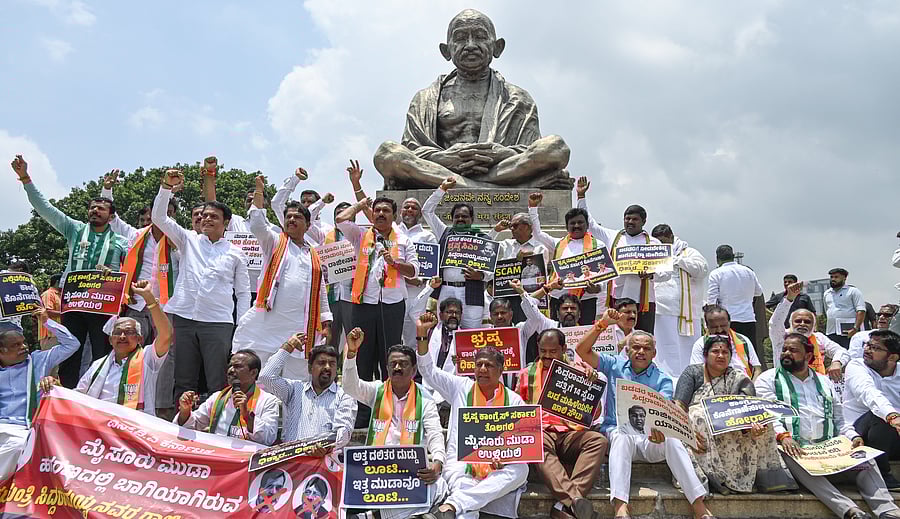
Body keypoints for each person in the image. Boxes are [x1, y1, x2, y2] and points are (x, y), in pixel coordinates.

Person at [373, 8, 572, 190]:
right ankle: (496, 188)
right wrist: (444, 158)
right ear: (446, 50)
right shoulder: (425, 99)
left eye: (479, 36)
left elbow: (529, 151)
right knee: (387, 154)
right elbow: (412, 151)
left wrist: (499, 154)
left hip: (498, 168)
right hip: (441, 168)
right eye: (460, 38)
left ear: (497, 47)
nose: (470, 45)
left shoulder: (518, 98)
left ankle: (468, 186)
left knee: (556, 147)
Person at [12, 154, 129, 388]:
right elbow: (46, 209)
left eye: (101, 208)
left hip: (102, 304)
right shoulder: (75, 230)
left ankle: (99, 395)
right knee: (70, 350)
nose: (95, 210)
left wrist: (113, 275)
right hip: (74, 303)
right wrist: (25, 178)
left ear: (110, 215)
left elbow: (129, 271)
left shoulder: (121, 241)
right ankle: (66, 393)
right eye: (92, 207)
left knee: (102, 352)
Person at [575, 321, 713, 519]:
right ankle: (621, 507)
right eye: (636, 347)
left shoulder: (663, 380)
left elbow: (662, 414)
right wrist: (602, 324)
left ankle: (699, 506)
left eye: (646, 348)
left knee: (673, 441)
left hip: (649, 439)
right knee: (622, 435)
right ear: (628, 350)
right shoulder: (614, 364)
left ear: (654, 354)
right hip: (618, 435)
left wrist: (660, 432)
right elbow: (581, 350)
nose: (641, 351)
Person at [755, 333, 900, 519]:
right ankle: (851, 511)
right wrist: (785, 436)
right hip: (794, 448)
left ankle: (888, 512)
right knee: (791, 455)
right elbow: (768, 414)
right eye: (784, 349)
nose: (786, 353)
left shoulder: (824, 382)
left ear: (808, 356)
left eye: (793, 350)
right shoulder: (768, 380)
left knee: (865, 458)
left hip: (827, 449)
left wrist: (853, 436)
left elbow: (840, 419)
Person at [414, 312, 528, 519]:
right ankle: (456, 506)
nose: (482, 369)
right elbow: (427, 370)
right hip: (460, 463)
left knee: (521, 470)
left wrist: (504, 458)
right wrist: (422, 334)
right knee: (466, 498)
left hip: (496, 465)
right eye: (479, 364)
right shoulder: (460, 387)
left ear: (501, 369)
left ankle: (452, 505)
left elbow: (517, 445)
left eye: (489, 365)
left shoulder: (514, 401)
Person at [151, 169, 251, 405]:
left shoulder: (236, 253)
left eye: (213, 217)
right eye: (203, 216)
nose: (206, 219)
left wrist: (242, 326)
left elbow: (244, 293)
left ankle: (217, 428)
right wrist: (166, 187)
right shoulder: (187, 240)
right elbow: (159, 218)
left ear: (226, 222)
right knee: (184, 379)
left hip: (218, 323)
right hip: (184, 319)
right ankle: (181, 425)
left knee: (218, 380)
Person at [232, 175, 332, 380]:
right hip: (268, 324)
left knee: (295, 383)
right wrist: (259, 191)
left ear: (307, 224)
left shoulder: (313, 253)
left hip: (299, 326)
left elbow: (320, 288)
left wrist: (326, 318)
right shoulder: (275, 242)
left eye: (298, 217)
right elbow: (258, 224)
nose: (292, 220)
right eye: (289, 217)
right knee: (260, 378)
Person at [343, 330, 448, 519]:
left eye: (403, 364)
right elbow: (351, 387)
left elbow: (435, 433)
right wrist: (351, 354)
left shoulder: (425, 398)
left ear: (414, 370)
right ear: (387, 368)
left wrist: (438, 462)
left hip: (409, 470)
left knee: (439, 486)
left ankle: (374, 516)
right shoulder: (377, 390)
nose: (397, 367)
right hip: (377, 469)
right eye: (393, 364)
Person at [674, 335, 796, 494]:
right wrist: (687, 431)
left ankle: (757, 479)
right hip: (697, 431)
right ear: (706, 354)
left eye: (725, 352)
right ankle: (711, 476)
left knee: (767, 422)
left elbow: (751, 410)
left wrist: (754, 428)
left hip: (732, 431)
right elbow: (678, 406)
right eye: (715, 351)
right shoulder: (693, 373)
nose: (720, 355)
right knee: (698, 414)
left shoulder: (738, 378)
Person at [515, 328, 607, 519]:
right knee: (536, 442)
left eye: (553, 351)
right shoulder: (525, 375)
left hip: (571, 433)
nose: (547, 356)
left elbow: (594, 414)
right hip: (542, 433)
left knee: (599, 441)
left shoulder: (581, 371)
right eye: (543, 351)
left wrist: (590, 386)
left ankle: (563, 505)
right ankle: (574, 500)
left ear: (564, 349)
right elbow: (518, 411)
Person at [336, 195, 418, 386]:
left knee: (389, 357)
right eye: (377, 210)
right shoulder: (360, 234)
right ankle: (362, 410)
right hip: (364, 305)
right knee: (362, 358)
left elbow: (414, 271)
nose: (381, 214)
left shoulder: (404, 240)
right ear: (372, 214)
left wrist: (395, 263)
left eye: (386, 211)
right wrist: (360, 204)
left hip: (392, 306)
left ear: (394, 216)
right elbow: (341, 220)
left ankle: (387, 403)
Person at [101, 170, 180, 346]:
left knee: (165, 354)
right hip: (136, 304)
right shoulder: (135, 235)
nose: (165, 216)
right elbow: (113, 220)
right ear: (153, 212)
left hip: (166, 307)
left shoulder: (181, 240)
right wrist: (107, 190)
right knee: (131, 349)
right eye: (162, 211)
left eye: (170, 212)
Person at [0, 309, 80, 481]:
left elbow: (72, 344)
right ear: (1, 352)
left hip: (23, 428)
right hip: (2, 428)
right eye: (16, 345)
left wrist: (46, 321)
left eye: (23, 342)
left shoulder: (38, 360)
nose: (24, 347)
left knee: (20, 445)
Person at [573, 178, 660, 332]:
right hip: (617, 297)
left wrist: (651, 275)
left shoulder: (653, 243)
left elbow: (666, 273)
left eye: (635, 219)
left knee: (644, 338)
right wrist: (581, 197)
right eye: (627, 218)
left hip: (644, 301)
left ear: (644, 221)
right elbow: (590, 224)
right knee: (616, 336)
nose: (630, 222)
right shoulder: (613, 237)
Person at [75, 280, 172, 416]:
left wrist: (149, 298)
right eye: (117, 332)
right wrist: (55, 386)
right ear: (110, 340)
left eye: (129, 332)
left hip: (135, 426)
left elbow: (166, 335)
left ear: (140, 339)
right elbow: (77, 396)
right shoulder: (98, 365)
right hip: (100, 425)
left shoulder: (148, 358)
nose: (122, 336)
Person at [257, 333, 356, 445]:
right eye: (321, 363)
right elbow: (266, 376)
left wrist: (323, 448)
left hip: (325, 458)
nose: (327, 367)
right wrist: (288, 346)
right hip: (291, 458)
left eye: (332, 364)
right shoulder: (294, 389)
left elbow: (343, 432)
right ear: (310, 368)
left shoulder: (345, 396)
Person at [530, 186, 608, 325]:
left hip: (586, 299)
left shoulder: (598, 245)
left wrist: (596, 288)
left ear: (587, 225)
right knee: (558, 333)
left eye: (580, 222)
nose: (576, 226)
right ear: (567, 226)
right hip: (558, 298)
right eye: (572, 223)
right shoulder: (559, 243)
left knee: (584, 335)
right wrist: (533, 208)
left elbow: (603, 274)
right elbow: (538, 234)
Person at [421, 177, 491, 330]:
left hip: (472, 291)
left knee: (471, 333)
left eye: (464, 216)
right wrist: (442, 189)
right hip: (446, 291)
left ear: (471, 219)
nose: (460, 219)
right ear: (452, 219)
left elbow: (492, 269)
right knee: (445, 331)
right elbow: (426, 211)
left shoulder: (483, 239)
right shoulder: (444, 232)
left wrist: (481, 276)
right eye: (457, 216)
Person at [175, 350, 280, 445]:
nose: (231, 370)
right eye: (230, 366)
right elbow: (192, 426)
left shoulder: (268, 401)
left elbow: (268, 438)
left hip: (245, 460)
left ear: (253, 373)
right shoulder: (217, 397)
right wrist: (185, 410)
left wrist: (247, 415)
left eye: (237, 366)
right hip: (217, 453)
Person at [650, 224, 709, 380]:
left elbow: (702, 270)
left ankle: (691, 382)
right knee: (664, 351)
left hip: (688, 313)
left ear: (671, 237)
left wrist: (677, 260)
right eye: (658, 243)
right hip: (661, 312)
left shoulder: (688, 252)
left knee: (688, 351)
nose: (661, 246)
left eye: (664, 242)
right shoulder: (652, 254)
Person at [843, 330, 900, 488]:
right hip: (859, 434)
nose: (867, 349)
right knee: (880, 415)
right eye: (867, 345)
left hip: (893, 437)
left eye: (875, 348)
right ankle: (882, 475)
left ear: (892, 357)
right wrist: (892, 416)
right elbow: (868, 393)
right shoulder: (856, 366)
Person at [770, 282, 847, 383]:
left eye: (807, 322)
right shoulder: (782, 336)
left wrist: (837, 362)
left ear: (813, 326)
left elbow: (841, 351)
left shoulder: (819, 338)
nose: (802, 324)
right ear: (790, 323)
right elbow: (775, 323)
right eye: (798, 321)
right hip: (787, 385)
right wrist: (789, 299)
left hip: (817, 386)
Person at [488, 200, 550, 323]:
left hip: (528, 298)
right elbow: (485, 248)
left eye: (515, 226)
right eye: (511, 226)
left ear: (528, 227)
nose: (512, 229)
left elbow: (539, 274)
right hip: (506, 298)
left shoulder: (540, 248)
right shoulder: (505, 245)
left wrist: (522, 262)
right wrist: (496, 230)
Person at [707, 245, 763, 349]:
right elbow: (758, 292)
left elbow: (711, 300)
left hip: (727, 321)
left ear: (717, 259)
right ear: (733, 256)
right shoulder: (748, 271)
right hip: (748, 319)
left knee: (730, 353)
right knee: (748, 353)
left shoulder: (716, 273)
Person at [689, 305, 762, 380]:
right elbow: (697, 373)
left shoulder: (743, 341)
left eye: (723, 326)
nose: (719, 330)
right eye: (714, 327)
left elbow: (757, 369)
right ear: (707, 326)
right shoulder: (701, 344)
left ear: (729, 323)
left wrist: (751, 388)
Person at [824, 268, 867, 348]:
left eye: (836, 277)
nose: (833, 279)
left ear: (844, 278)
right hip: (832, 331)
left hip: (848, 331)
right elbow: (827, 311)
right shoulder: (827, 293)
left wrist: (855, 328)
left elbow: (861, 311)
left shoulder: (853, 291)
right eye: (831, 277)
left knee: (851, 354)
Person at [38, 274, 63, 353]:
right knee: (52, 363)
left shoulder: (60, 295)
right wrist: (66, 314)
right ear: (57, 282)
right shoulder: (48, 294)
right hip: (49, 334)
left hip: (59, 333)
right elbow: (47, 311)